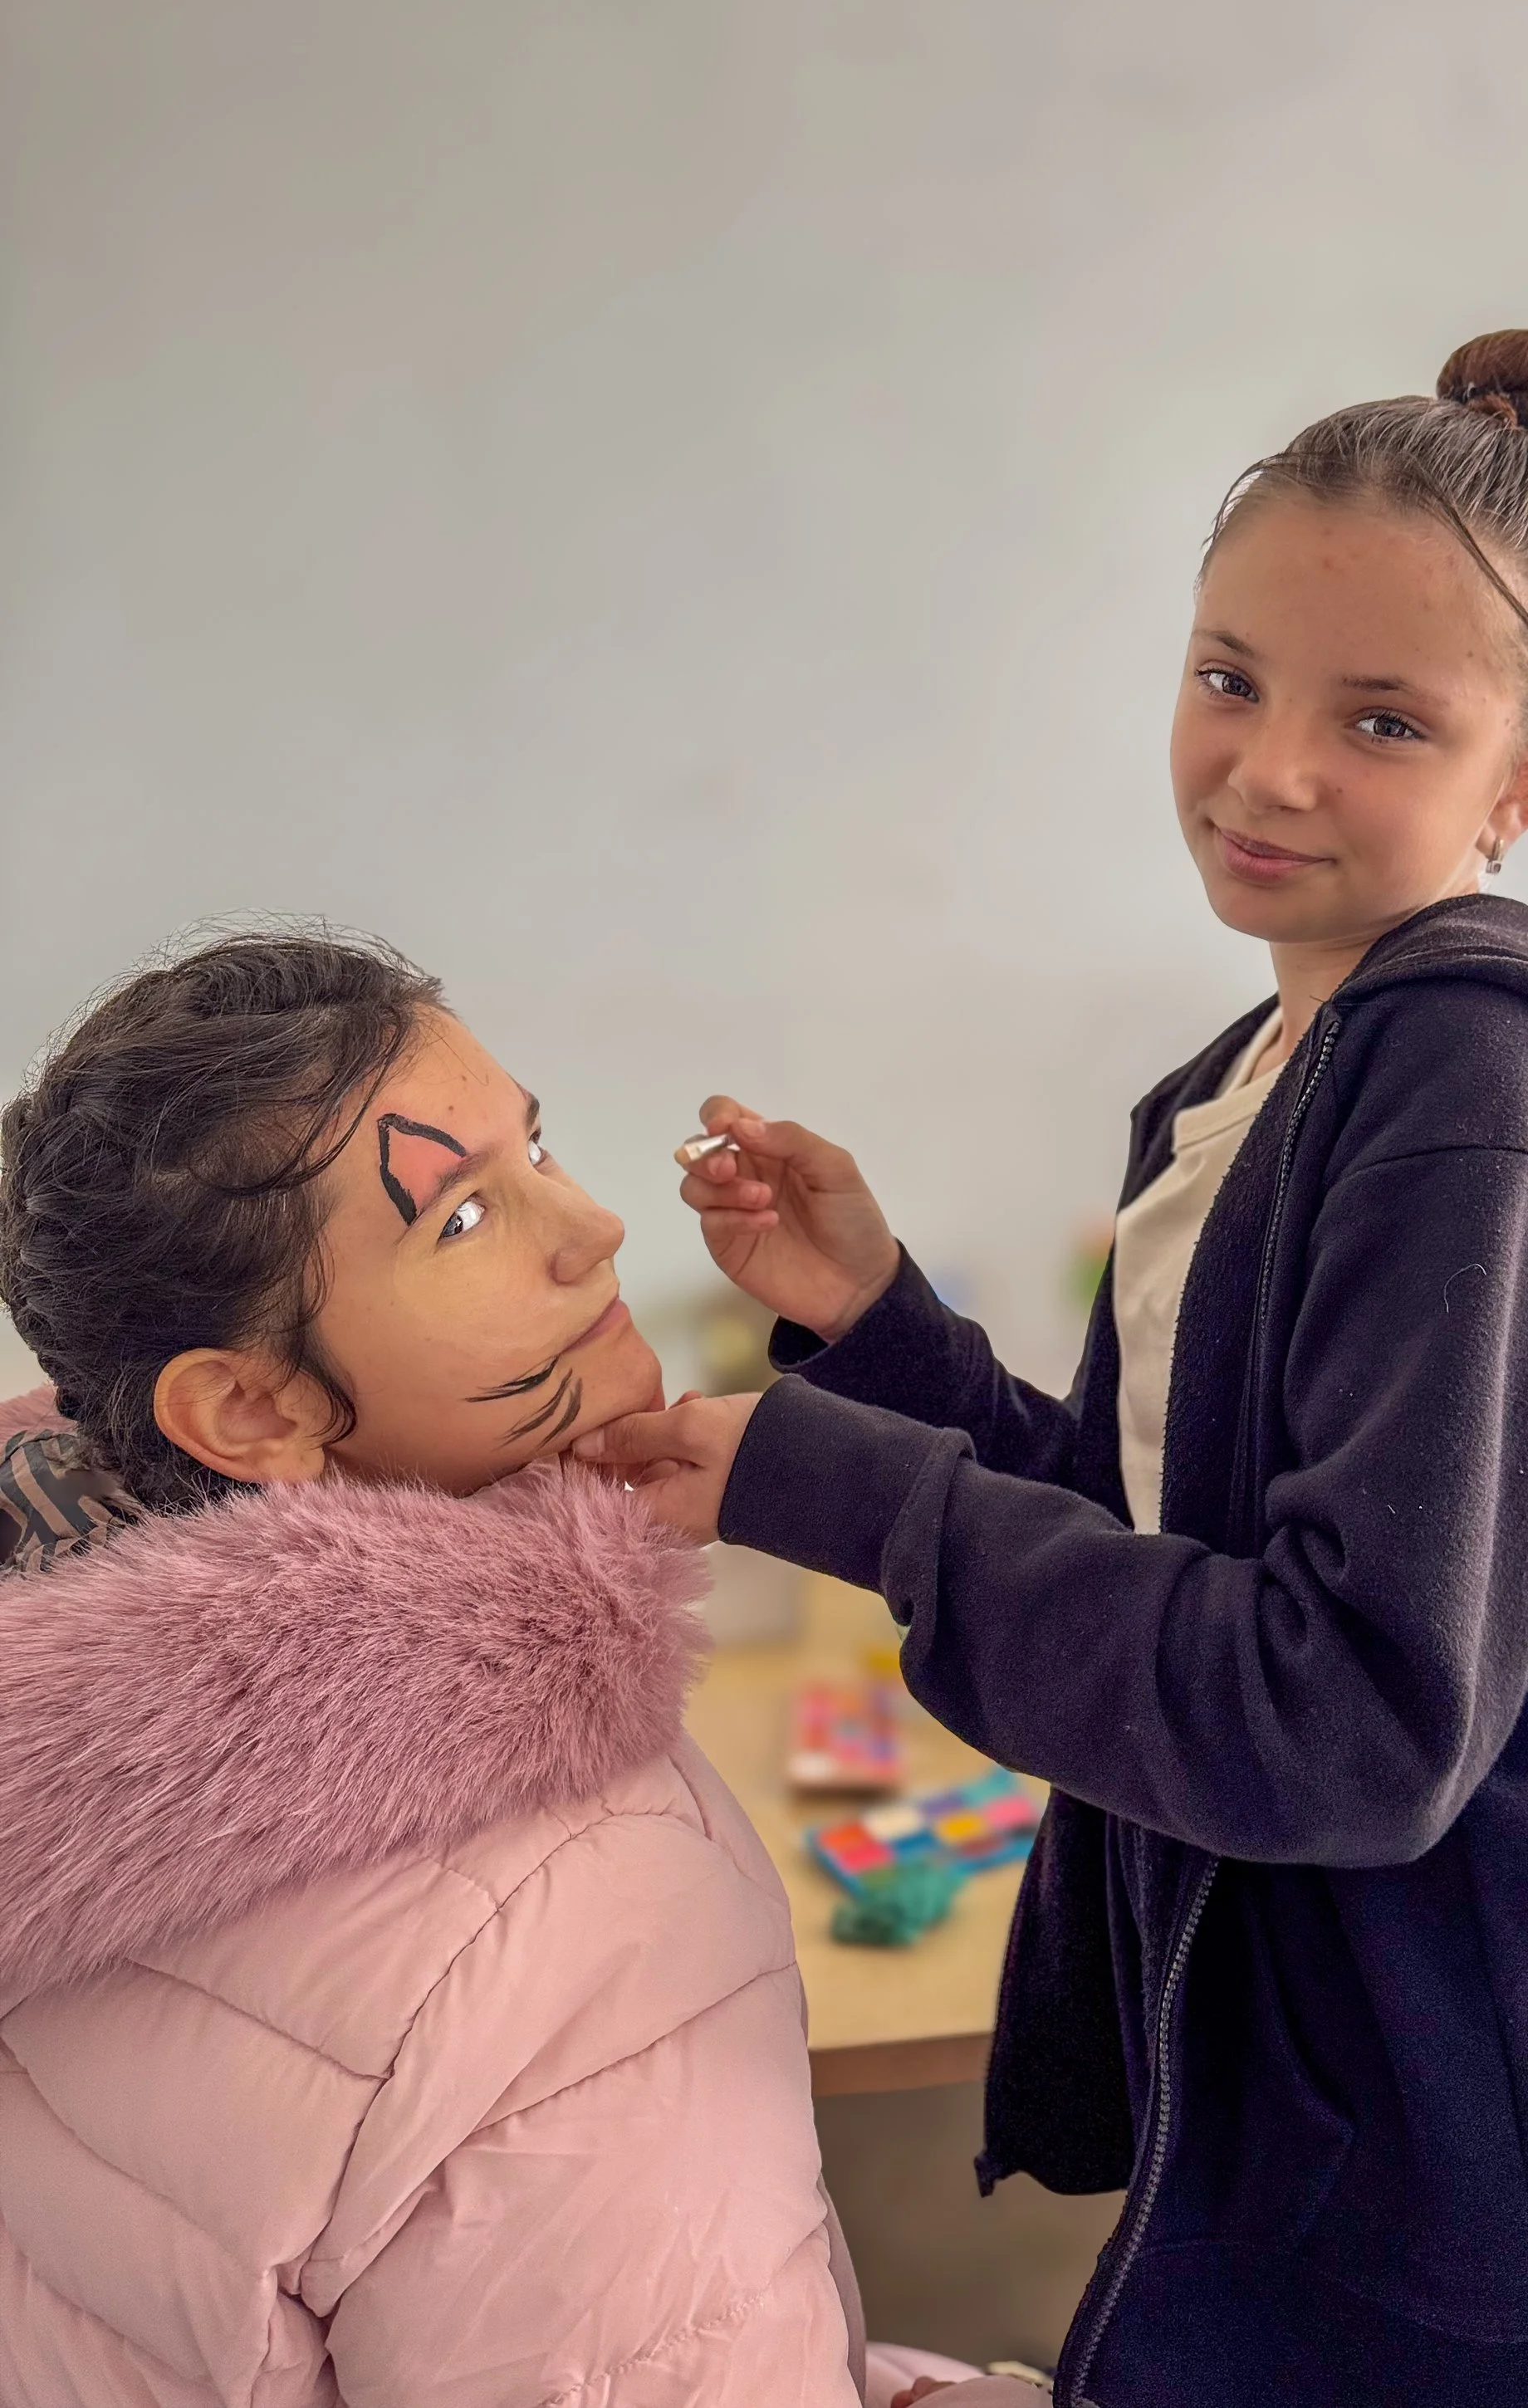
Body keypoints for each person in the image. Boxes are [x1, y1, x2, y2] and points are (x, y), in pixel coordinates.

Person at [578, 329, 1528, 2408]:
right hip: (1335, 2165)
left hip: (1484, 2234)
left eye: (1380, 720)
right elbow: (1178, 1546)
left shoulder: (1478, 1101)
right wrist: (883, 1338)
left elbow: (1339, 1712)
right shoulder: (1263, 1075)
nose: (1269, 768)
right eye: (1227, 677)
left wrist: (834, 1486)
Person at [0, 930, 1015, 2408]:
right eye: (463, 1220)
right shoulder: (574, 1901)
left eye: (536, 1146)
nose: (595, 1226)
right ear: (248, 1408)